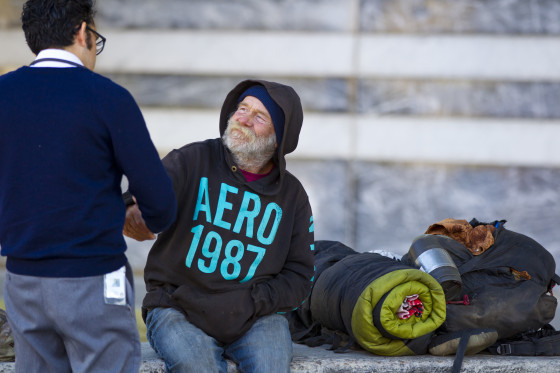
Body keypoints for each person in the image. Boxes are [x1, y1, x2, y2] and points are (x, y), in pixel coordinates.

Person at [0, 1, 177, 372]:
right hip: (92, 278)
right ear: (83, 32)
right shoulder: (108, 98)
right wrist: (135, 212)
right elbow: (159, 201)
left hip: (21, 279)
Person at [124, 79, 316, 372]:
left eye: (259, 117)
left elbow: (299, 275)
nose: (244, 120)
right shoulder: (192, 160)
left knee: (271, 366)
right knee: (196, 364)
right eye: (242, 108)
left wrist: (253, 302)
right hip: (176, 305)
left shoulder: (292, 196)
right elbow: (148, 191)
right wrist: (133, 209)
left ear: (279, 138)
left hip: (256, 316)